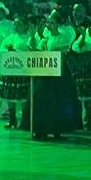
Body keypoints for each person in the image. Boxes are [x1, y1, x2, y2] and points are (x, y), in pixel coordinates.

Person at [28, 8, 81, 140]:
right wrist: (35, 35)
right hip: (45, 73)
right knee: (40, 98)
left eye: (52, 22)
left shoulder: (63, 36)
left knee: (58, 100)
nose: (49, 25)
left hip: (59, 74)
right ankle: (41, 128)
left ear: (57, 24)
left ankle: (57, 129)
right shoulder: (45, 39)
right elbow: (36, 49)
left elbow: (65, 48)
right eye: (48, 23)